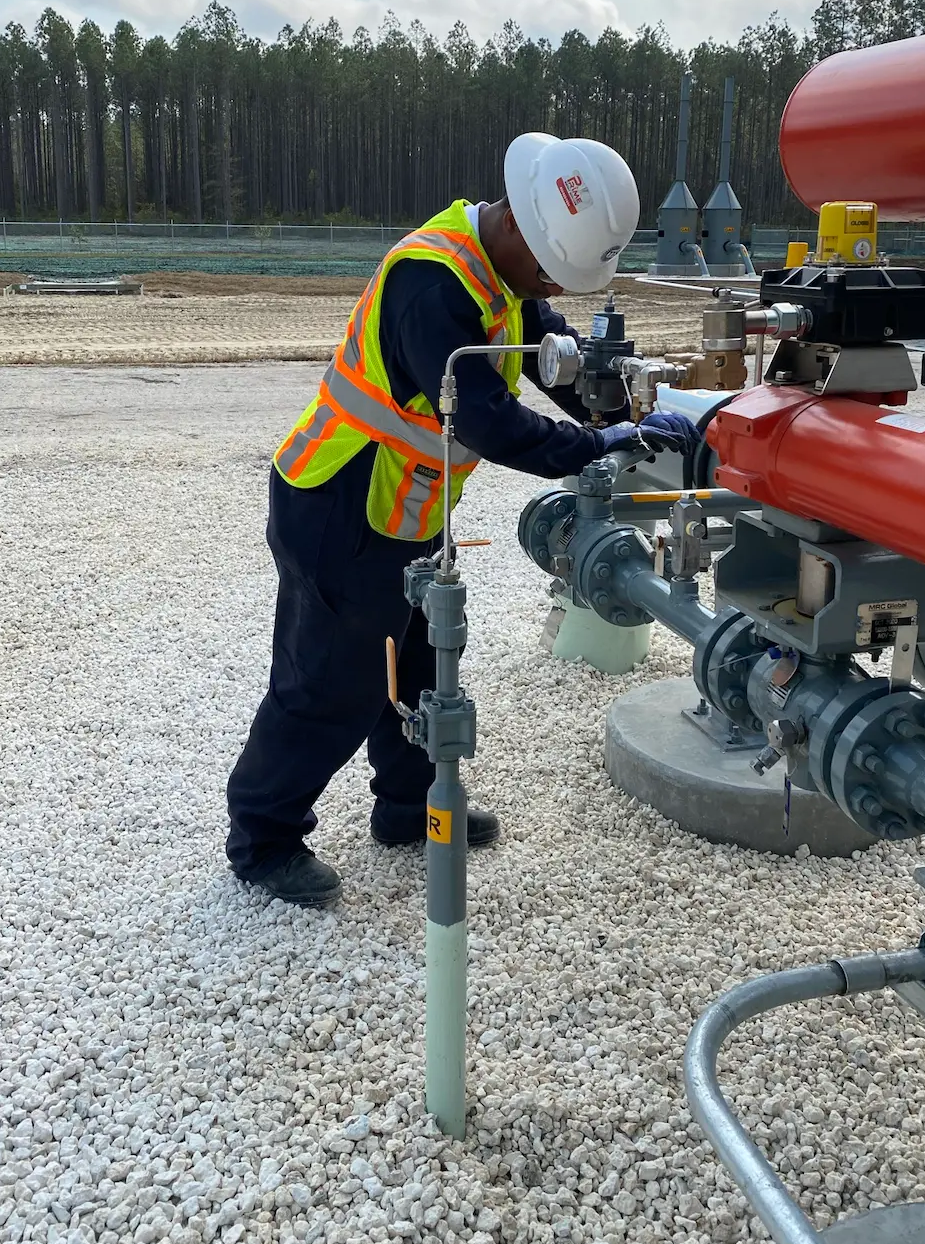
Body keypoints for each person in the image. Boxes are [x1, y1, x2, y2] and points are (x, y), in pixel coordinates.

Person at [227, 132, 699, 906]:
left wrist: (621, 404)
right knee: (331, 682)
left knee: (416, 660)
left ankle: (407, 808)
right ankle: (263, 837)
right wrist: (603, 441)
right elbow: (495, 424)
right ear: (519, 223)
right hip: (341, 501)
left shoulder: (502, 268)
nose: (551, 287)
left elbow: (558, 356)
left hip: (401, 506)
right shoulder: (433, 284)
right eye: (551, 271)